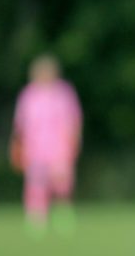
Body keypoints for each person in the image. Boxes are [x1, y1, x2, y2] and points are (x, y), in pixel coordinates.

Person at [9, 53, 83, 237]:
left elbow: (74, 120)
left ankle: (62, 216)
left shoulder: (64, 93)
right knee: (36, 184)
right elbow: (20, 124)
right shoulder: (28, 95)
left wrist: (74, 141)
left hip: (60, 147)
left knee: (62, 184)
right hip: (35, 148)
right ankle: (36, 219)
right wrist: (18, 145)